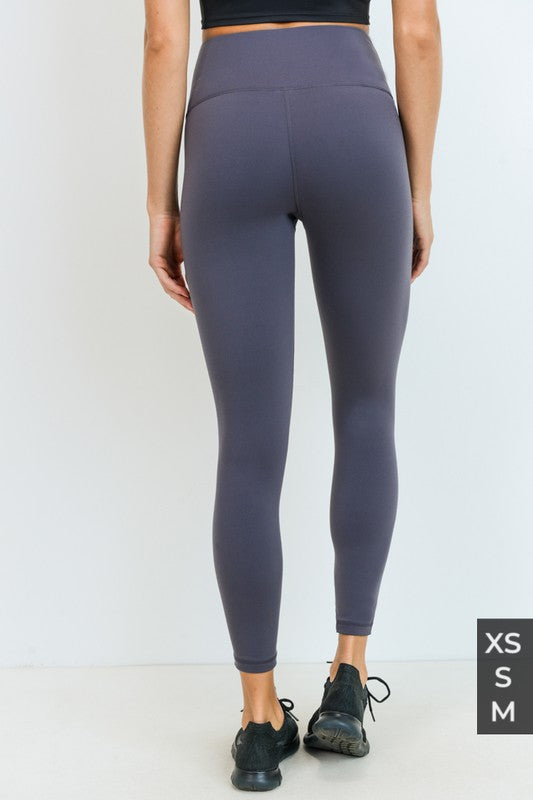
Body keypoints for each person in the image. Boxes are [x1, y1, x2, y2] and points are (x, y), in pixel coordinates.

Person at [142, 0, 442, 790]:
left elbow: (164, 39)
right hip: (354, 117)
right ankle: (347, 680)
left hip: (227, 125)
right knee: (367, 411)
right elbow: (416, 30)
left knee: (247, 444)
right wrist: (417, 189)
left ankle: (256, 720)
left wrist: (161, 203)